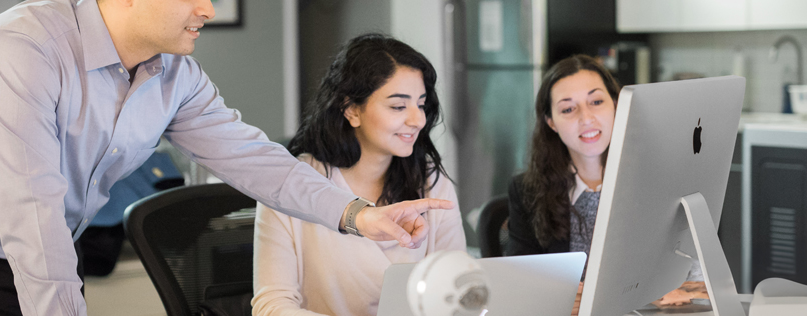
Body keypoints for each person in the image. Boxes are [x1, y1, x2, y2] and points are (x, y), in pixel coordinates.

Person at [0, 0, 453, 316]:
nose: (206, 8)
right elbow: (30, 210)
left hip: (50, 250)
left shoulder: (173, 74)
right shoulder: (24, 52)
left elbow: (255, 160)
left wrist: (357, 215)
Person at [251, 34, 466, 316]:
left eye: (421, 104)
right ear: (352, 109)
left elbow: (458, 290)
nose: (418, 120)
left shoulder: (429, 180)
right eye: (398, 106)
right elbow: (272, 307)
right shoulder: (291, 185)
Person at [505, 55, 707, 311]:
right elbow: (516, 283)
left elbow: (696, 275)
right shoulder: (526, 191)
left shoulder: (661, 178)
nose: (586, 118)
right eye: (568, 109)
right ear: (551, 123)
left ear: (615, 104)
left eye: (596, 101)